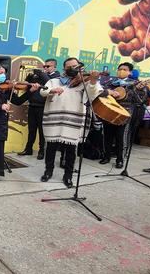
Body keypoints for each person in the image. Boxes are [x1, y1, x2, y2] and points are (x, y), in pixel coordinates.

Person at [39, 58, 103, 188]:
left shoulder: (84, 82)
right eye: (71, 66)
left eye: (76, 66)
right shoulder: (54, 81)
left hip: (73, 120)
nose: (74, 68)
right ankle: (48, 171)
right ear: (64, 69)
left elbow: (91, 95)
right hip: (54, 119)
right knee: (50, 148)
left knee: (71, 150)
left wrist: (93, 80)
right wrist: (52, 90)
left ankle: (68, 175)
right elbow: (43, 91)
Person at [99, 62, 147, 168]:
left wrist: (136, 90)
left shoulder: (136, 84)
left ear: (130, 72)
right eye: (120, 69)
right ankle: (106, 156)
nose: (121, 71)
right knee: (107, 135)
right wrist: (110, 92)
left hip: (125, 113)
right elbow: (100, 92)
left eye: (124, 69)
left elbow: (140, 100)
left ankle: (120, 159)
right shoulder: (110, 81)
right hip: (109, 111)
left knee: (121, 136)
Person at [13, 66, 47, 159]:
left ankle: (41, 151)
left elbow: (47, 82)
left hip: (42, 107)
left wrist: (41, 72)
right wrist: (31, 75)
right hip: (32, 106)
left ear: (54, 67)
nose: (46, 68)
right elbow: (27, 84)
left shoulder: (52, 77)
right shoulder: (35, 76)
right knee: (31, 130)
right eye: (45, 66)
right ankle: (28, 149)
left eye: (48, 66)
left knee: (41, 130)